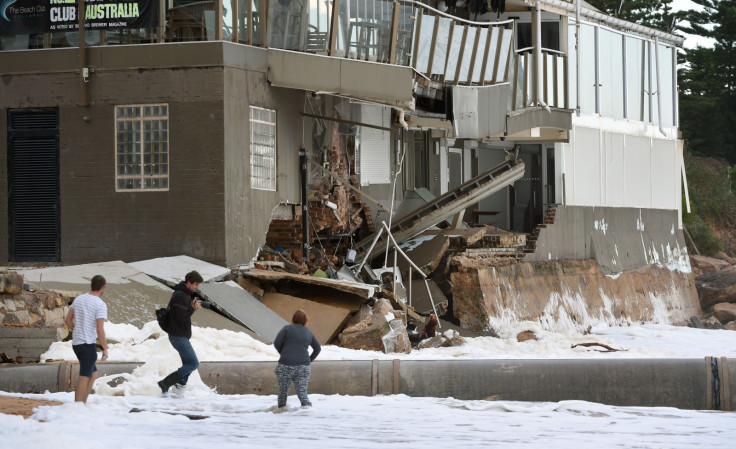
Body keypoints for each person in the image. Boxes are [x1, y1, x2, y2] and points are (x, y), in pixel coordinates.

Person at [157, 270, 205, 393]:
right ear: (188, 282)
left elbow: (182, 315)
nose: (196, 287)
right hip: (178, 336)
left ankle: (177, 392)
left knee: (187, 364)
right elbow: (181, 318)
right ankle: (166, 383)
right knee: (194, 363)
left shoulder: (185, 294)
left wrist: (191, 306)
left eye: (198, 285)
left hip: (180, 334)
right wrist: (193, 308)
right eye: (195, 284)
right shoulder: (180, 295)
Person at [64, 275, 108, 403]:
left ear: (91, 285)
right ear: (103, 288)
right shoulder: (100, 304)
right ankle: (77, 406)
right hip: (87, 345)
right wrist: (105, 349)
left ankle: (83, 403)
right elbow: (100, 330)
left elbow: (68, 320)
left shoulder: (79, 299)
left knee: (93, 374)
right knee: (84, 376)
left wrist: (77, 331)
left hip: (77, 344)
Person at [273, 309, 321, 409]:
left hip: (286, 365)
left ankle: (281, 416)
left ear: (293, 319)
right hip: (304, 367)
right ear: (305, 320)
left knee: (283, 393)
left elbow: (276, 343)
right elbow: (317, 348)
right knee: (302, 393)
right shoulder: (309, 332)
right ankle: (308, 413)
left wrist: (284, 353)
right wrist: (309, 360)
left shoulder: (287, 328)